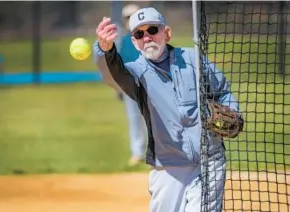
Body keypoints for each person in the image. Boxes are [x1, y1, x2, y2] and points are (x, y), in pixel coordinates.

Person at [93, 7, 243, 212]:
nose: (146, 37)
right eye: (139, 34)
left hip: (209, 160)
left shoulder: (193, 59)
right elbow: (113, 75)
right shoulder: (138, 74)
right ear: (135, 42)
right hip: (168, 166)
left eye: (152, 30)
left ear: (167, 33)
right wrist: (104, 49)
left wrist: (233, 112)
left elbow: (221, 91)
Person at [118, 4, 147, 167]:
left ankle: (156, 152)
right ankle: (137, 153)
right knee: (134, 120)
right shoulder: (124, 41)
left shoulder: (146, 37)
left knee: (152, 121)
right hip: (130, 86)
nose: (129, 20)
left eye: (132, 16)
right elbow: (120, 64)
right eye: (127, 18)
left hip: (148, 85)